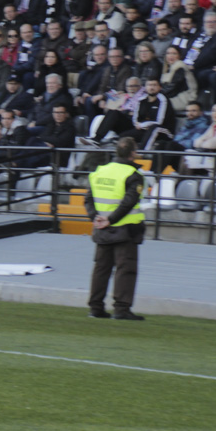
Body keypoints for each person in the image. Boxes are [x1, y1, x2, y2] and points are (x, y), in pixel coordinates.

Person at [84, 137, 147, 321]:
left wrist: (96, 218)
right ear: (133, 153)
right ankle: (121, 309)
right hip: (125, 229)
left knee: (101, 269)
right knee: (125, 269)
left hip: (101, 229)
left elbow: (88, 199)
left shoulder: (100, 171)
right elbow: (129, 202)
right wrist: (110, 220)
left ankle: (95, 307)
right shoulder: (133, 174)